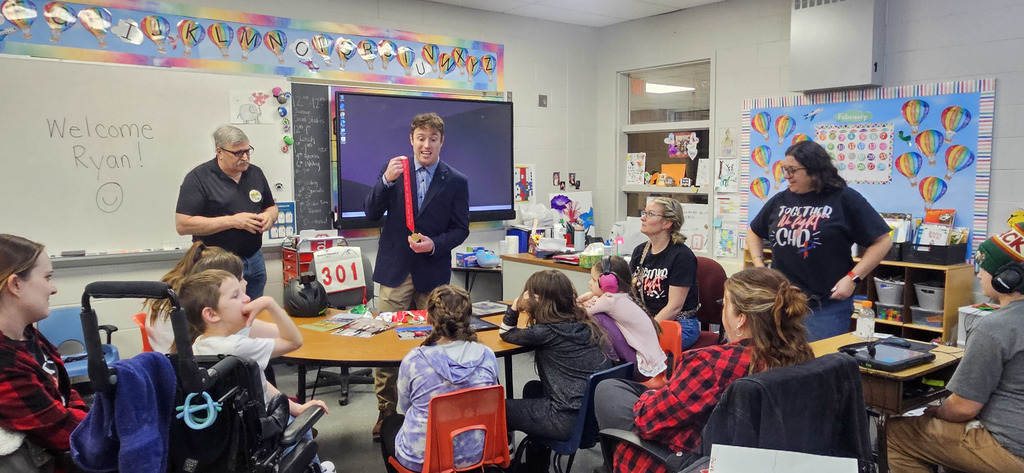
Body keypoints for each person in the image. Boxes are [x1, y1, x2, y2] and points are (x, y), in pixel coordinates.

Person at [595, 267, 814, 473]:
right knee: (617, 388)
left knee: (607, 390)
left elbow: (648, 421)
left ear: (741, 319)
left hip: (687, 459)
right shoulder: (803, 358)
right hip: (756, 459)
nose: (722, 312)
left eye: (724, 304)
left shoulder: (712, 364)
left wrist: (653, 396)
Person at [886, 223, 1024, 473]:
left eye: (986, 269)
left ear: (1009, 278)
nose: (980, 275)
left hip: (1011, 449)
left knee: (895, 433)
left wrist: (937, 411)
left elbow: (962, 407)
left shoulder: (995, 327)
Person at [365, 112, 470, 440]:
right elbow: (370, 212)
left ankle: (432, 405)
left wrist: (434, 245)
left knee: (437, 340)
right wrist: (386, 181)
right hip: (395, 271)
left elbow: (460, 229)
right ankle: (386, 412)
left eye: (433, 139)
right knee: (385, 343)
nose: (426, 144)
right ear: (411, 140)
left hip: (433, 274)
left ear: (441, 142)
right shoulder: (393, 169)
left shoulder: (456, 180)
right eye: (421, 138)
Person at [746, 140, 892, 341]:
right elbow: (753, 232)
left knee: (819, 365)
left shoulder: (844, 198)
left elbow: (883, 241)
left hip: (826, 306)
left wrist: (853, 278)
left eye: (792, 170)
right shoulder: (780, 201)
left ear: (814, 171)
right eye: (784, 169)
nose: (786, 176)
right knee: (782, 366)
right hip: (782, 302)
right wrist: (759, 264)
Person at [180, 269, 329, 465]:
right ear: (212, 314)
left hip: (229, 438)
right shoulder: (238, 347)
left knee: (295, 414)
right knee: (302, 428)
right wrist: (269, 303)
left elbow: (259, 381)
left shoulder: (199, 344)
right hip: (263, 431)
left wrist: (295, 407)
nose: (247, 298)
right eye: (236, 295)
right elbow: (294, 340)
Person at [379, 285, 499, 473]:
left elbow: (407, 407)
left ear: (429, 319)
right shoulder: (487, 356)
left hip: (422, 462)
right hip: (474, 456)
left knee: (390, 423)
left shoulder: (414, 360)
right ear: (470, 319)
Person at [0, 234, 88, 470]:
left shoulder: (27, 334)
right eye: (47, 277)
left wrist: (86, 415)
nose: (53, 288)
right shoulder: (4, 363)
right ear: (16, 285)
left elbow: (65, 392)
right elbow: (63, 432)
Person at [500, 270, 613, 443]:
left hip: (565, 419)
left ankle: (506, 465)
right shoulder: (585, 323)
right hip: (595, 418)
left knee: (498, 410)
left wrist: (515, 305)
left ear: (537, 300)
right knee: (532, 389)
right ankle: (536, 459)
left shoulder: (546, 331)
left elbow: (506, 333)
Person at [175, 124, 278, 300]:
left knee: (253, 315)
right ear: (219, 152)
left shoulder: (255, 173)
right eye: (237, 153)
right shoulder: (199, 178)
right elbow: (183, 225)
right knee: (223, 319)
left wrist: (269, 216)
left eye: (247, 151)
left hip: (254, 258)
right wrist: (233, 221)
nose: (245, 157)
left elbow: (271, 206)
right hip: (217, 263)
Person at [142, 241, 242, 353]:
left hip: (164, 357)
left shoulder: (175, 285)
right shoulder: (187, 301)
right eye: (240, 279)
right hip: (179, 361)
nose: (245, 283)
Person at [579, 255, 666, 380]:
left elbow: (574, 313)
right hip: (652, 365)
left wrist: (583, 299)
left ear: (608, 283)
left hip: (642, 369)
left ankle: (611, 367)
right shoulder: (622, 296)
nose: (589, 283)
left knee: (598, 319)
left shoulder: (610, 300)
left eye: (593, 280)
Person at [630, 196, 701, 350]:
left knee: (641, 348)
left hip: (680, 324)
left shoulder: (682, 256)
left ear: (667, 223)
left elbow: (674, 307)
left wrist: (647, 331)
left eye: (650, 214)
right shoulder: (640, 252)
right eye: (644, 212)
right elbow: (629, 292)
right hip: (648, 319)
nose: (643, 218)